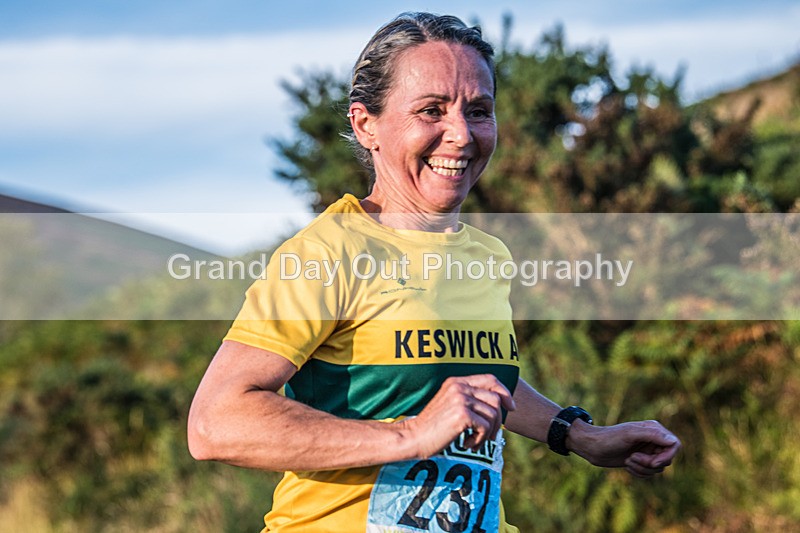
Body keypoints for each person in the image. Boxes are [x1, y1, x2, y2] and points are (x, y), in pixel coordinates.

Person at [188, 12, 681, 532]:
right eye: (431, 110)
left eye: (479, 110)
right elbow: (216, 423)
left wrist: (579, 435)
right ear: (366, 125)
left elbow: (474, 380)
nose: (461, 135)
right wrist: (411, 435)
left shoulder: (486, 254)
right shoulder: (329, 253)